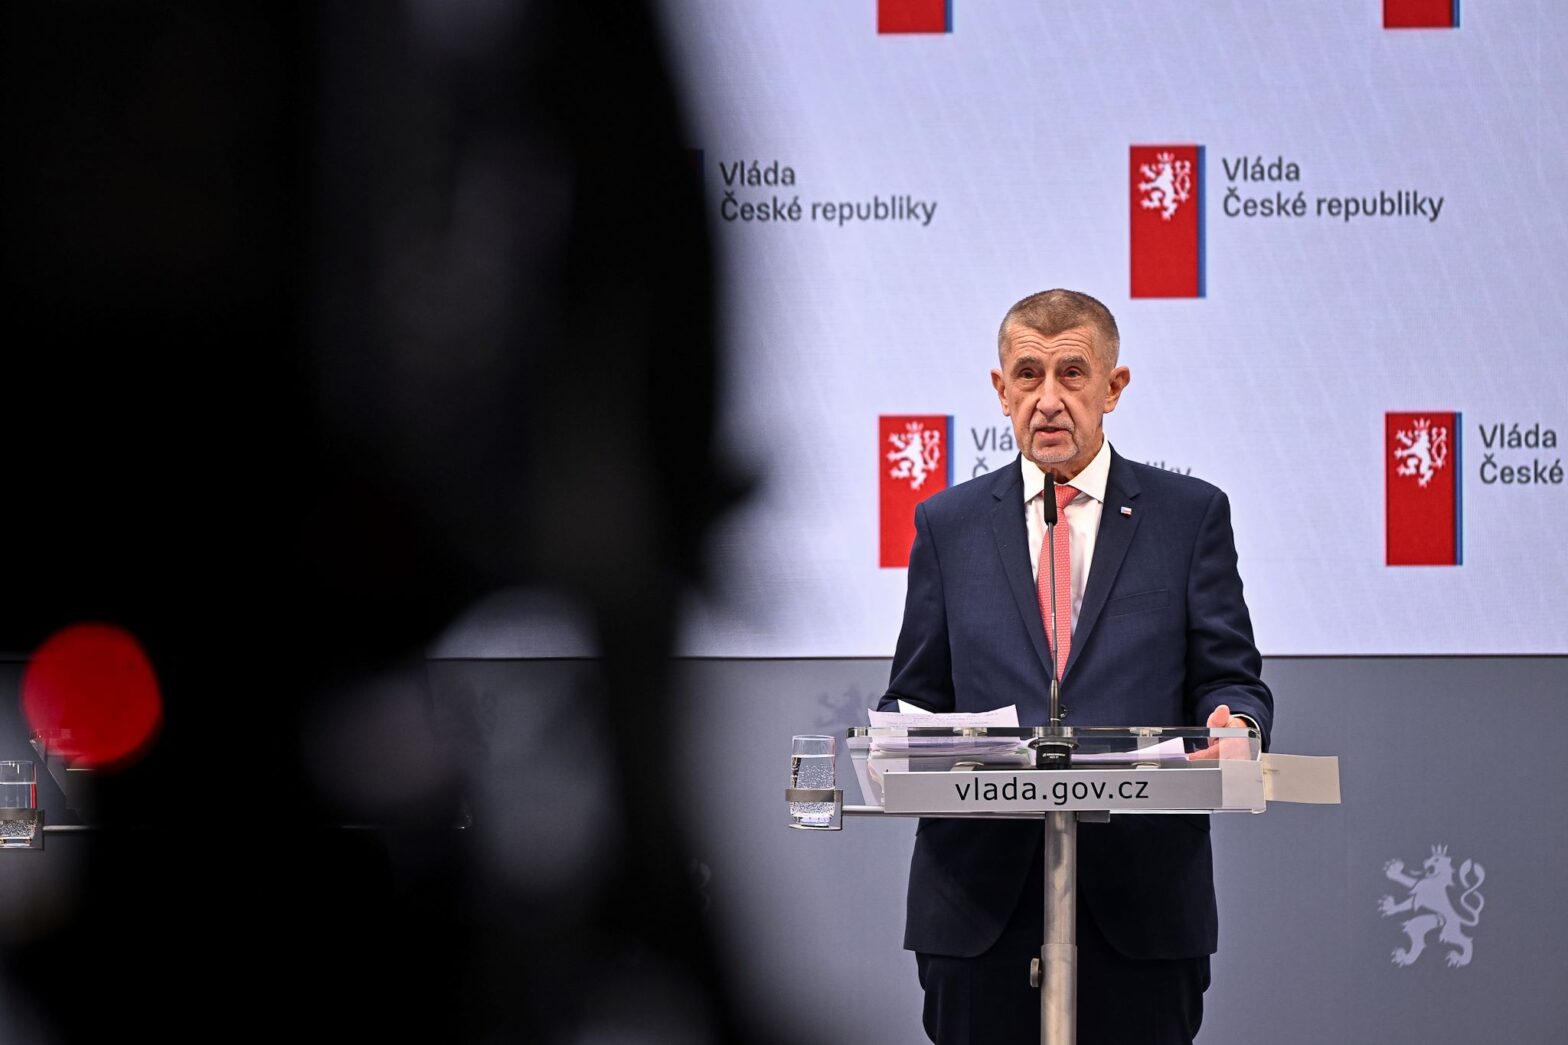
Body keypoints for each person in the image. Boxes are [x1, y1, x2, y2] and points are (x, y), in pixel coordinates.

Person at [879, 289, 1273, 1045]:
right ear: (1000, 389)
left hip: (1140, 901)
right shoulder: (947, 524)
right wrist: (900, 733)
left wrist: (1238, 722)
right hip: (980, 903)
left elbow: (1232, 677)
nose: (1049, 399)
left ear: (1113, 387)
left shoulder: (1189, 516)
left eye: (1072, 374)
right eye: (1027, 375)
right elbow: (916, 694)